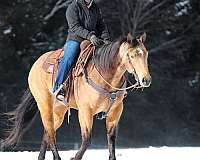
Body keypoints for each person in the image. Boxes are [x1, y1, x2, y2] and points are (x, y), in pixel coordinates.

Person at [53, 0, 111, 100]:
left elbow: (101, 24)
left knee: (106, 58)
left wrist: (106, 39)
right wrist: (90, 36)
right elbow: (74, 27)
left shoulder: (95, 7)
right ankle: (59, 87)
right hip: (76, 39)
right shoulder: (73, 7)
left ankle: (109, 91)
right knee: (69, 58)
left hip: (94, 39)